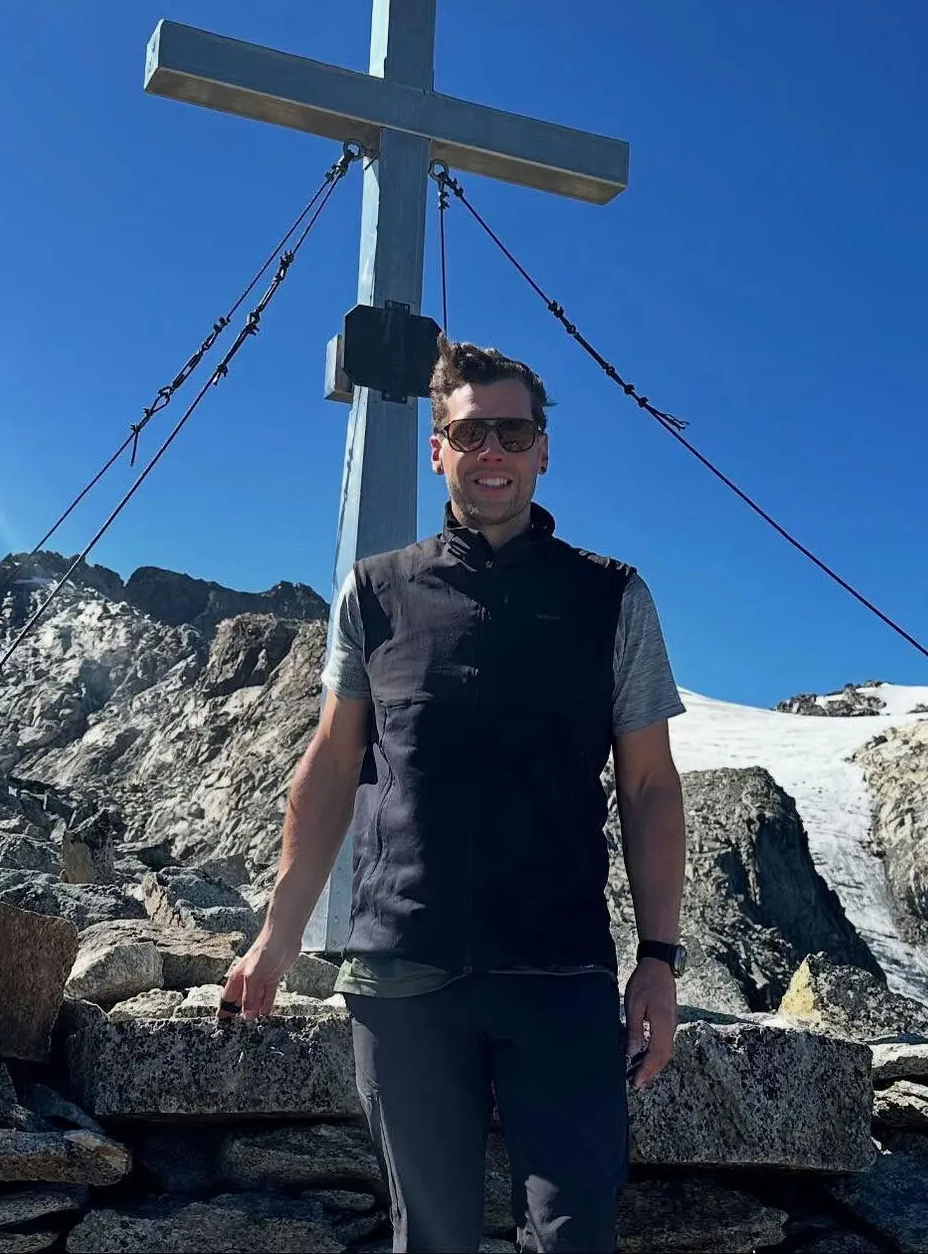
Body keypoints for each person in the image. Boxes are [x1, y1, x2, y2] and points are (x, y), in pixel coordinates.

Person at [220, 338, 687, 1253]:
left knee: (573, 1233)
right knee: (429, 1237)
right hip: (405, 976)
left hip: (561, 975)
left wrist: (660, 959)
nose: (493, 452)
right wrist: (276, 936)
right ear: (438, 448)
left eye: (513, 432)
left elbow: (648, 786)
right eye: (470, 433)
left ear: (544, 448)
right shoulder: (375, 593)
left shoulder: (611, 598)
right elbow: (327, 769)